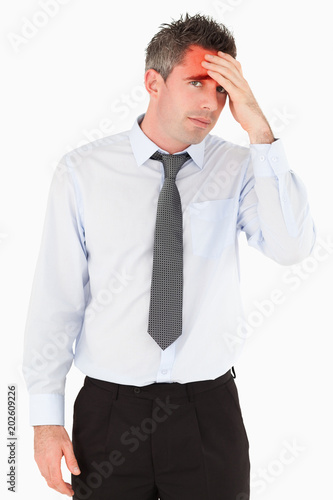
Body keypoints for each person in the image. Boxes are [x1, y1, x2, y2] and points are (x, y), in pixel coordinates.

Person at [23, 12, 316, 500]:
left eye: (223, 90)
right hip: (108, 413)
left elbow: (291, 248)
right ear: (152, 82)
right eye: (198, 82)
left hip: (208, 412)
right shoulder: (83, 172)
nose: (211, 103)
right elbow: (55, 300)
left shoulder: (243, 168)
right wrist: (43, 420)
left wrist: (261, 132)